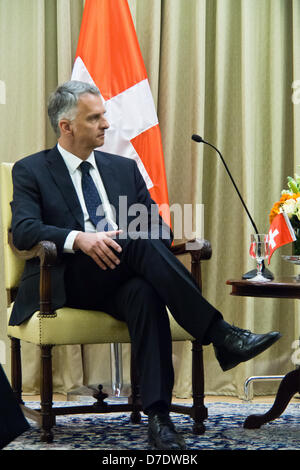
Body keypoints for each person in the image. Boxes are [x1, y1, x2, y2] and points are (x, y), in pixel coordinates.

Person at [10, 80, 281, 450]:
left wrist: (127, 236)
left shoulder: (123, 168)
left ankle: (159, 418)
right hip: (66, 278)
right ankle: (220, 334)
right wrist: (80, 239)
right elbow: (24, 230)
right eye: (95, 118)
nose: (106, 124)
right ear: (66, 127)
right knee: (138, 244)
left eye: (105, 115)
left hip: (121, 275)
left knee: (144, 290)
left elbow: (159, 228)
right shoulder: (31, 170)